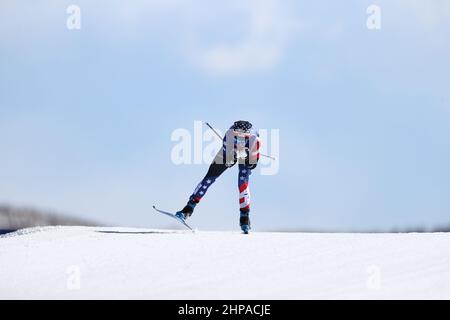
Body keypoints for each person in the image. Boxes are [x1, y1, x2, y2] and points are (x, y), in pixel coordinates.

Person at [176, 120, 260, 234]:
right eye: (237, 135)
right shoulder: (229, 135)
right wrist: (234, 156)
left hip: (247, 154)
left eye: (243, 136)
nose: (240, 138)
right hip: (230, 153)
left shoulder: (254, 139)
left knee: (243, 183)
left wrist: (246, 158)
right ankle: (188, 208)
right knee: (209, 178)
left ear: (248, 135)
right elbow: (228, 162)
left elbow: (253, 165)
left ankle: (245, 217)